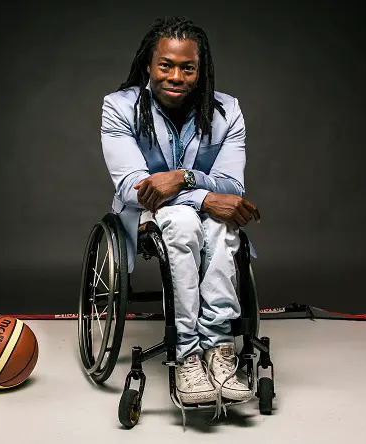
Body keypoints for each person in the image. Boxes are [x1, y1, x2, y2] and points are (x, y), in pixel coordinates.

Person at [100, 16, 261, 412]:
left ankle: (218, 348)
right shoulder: (119, 108)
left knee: (224, 228)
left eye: (187, 67)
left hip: (208, 217)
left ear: (200, 70)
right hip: (148, 217)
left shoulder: (228, 111)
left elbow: (233, 187)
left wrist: (183, 178)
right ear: (148, 66)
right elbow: (134, 188)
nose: (176, 76)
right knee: (184, 219)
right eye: (165, 65)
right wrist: (204, 198)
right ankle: (187, 353)